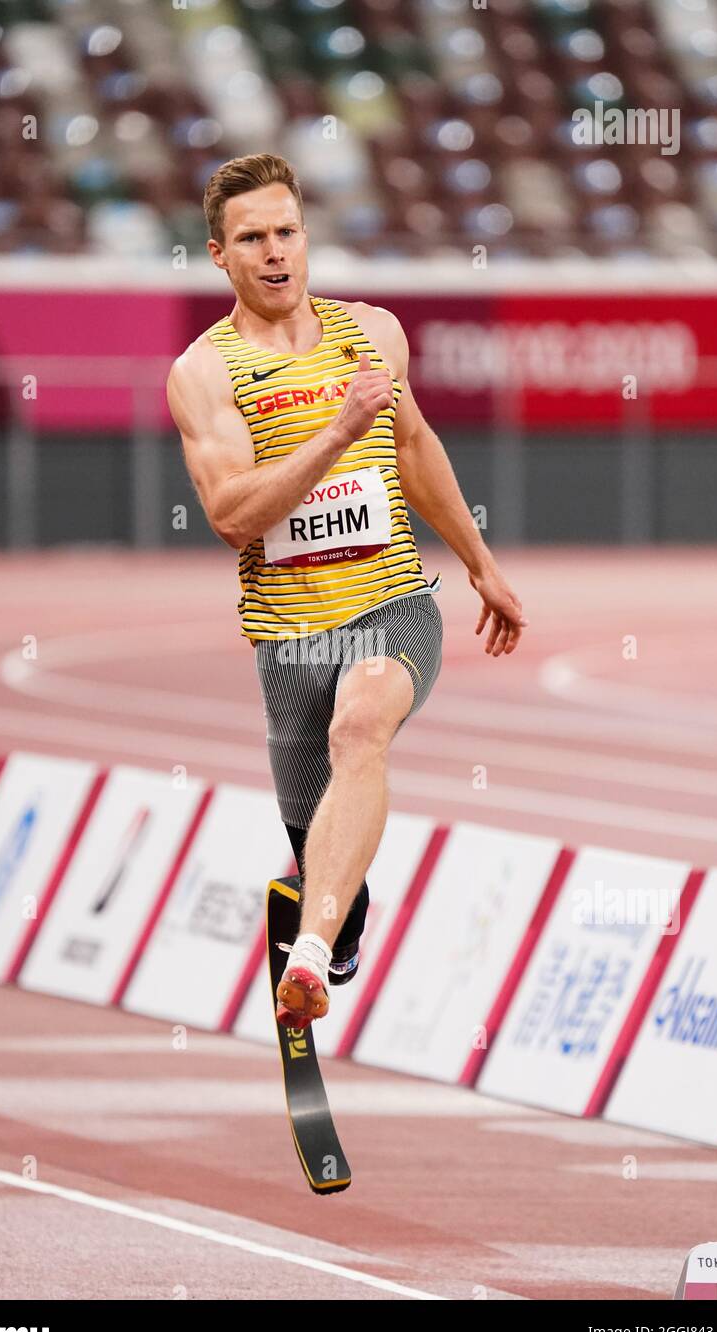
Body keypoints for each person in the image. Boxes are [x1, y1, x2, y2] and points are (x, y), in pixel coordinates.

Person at [166, 153, 527, 1030]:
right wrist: (335, 433)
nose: (275, 252)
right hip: (290, 636)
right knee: (318, 843)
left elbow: (412, 450)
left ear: (305, 234)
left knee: (361, 724)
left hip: (392, 604)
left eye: (287, 231)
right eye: (252, 238)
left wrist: (480, 564)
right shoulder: (204, 374)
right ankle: (341, 919)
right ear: (220, 256)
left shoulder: (374, 332)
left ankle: (311, 959)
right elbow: (232, 517)